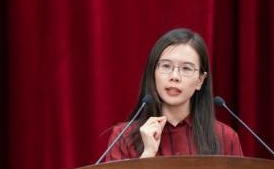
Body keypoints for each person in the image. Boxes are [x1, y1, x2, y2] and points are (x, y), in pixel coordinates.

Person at [102, 28, 243, 161]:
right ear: (153, 73)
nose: (174, 76)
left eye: (186, 68)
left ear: (200, 80)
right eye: (166, 66)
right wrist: (148, 154)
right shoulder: (124, 137)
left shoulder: (226, 137)